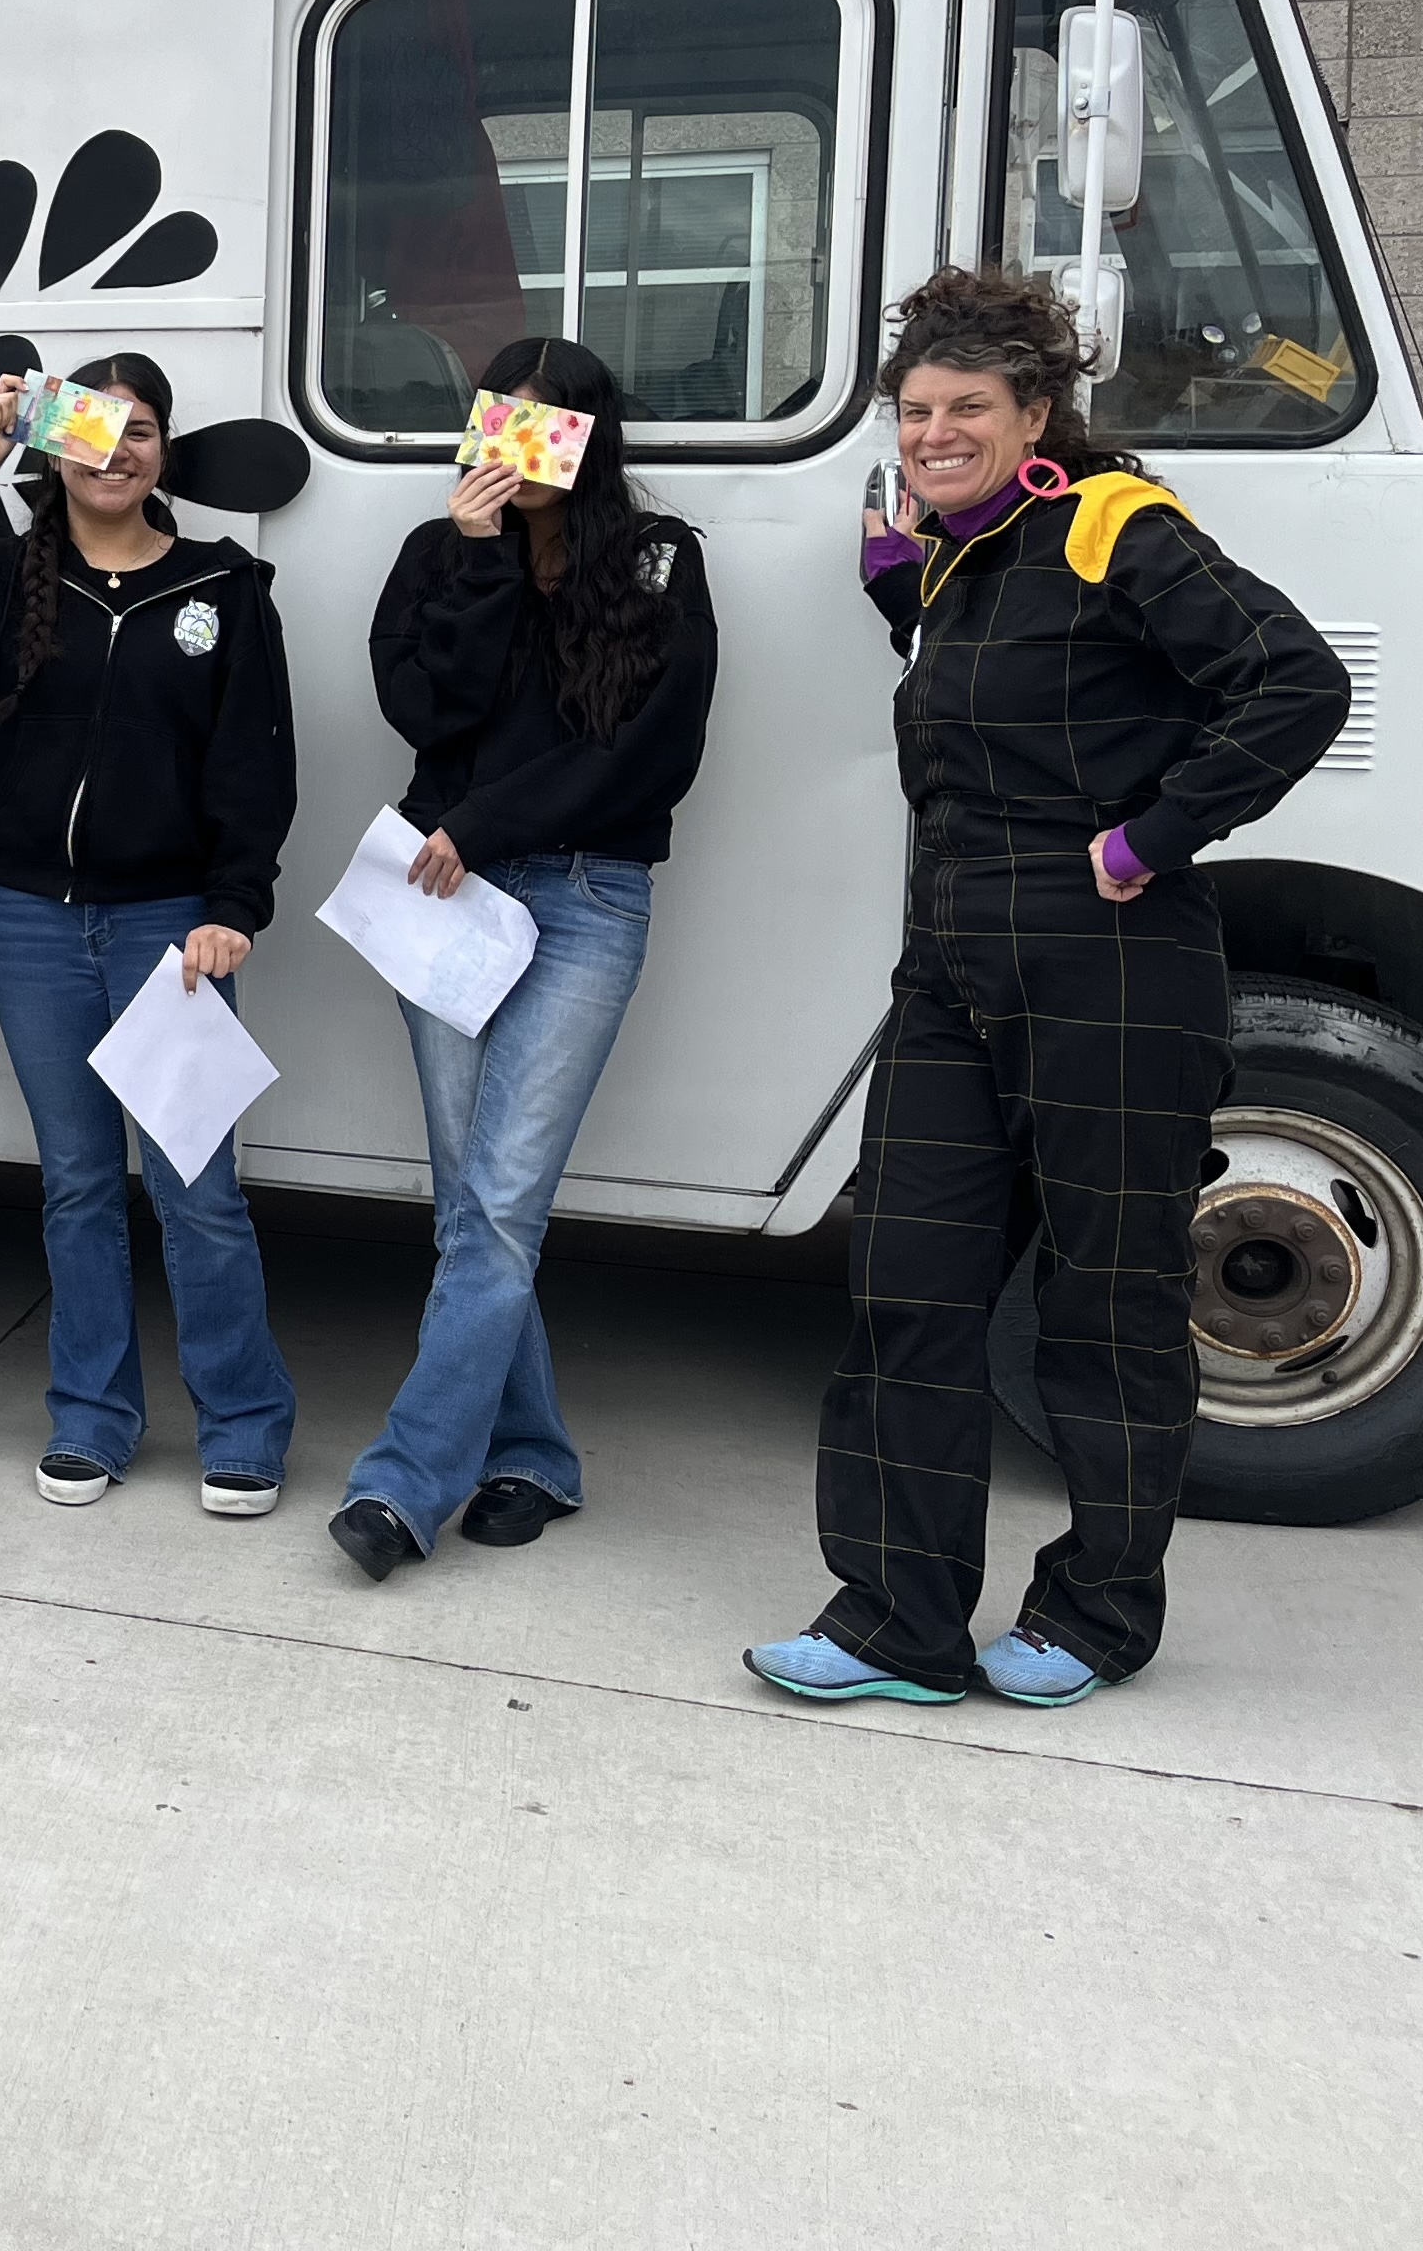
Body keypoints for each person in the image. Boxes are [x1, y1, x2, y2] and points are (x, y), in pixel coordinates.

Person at [750, 269, 1346, 1708]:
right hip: (953, 957)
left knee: (1106, 1306)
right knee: (908, 1283)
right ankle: (896, 1623)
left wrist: (1156, 834)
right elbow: (1022, 694)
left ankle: (1093, 1616)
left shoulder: (1112, 524)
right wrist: (901, 589)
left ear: (1036, 416)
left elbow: (1295, 682)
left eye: (967, 408)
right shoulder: (958, 559)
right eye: (915, 412)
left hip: (1112, 960)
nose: (933, 433)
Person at [0, 354, 301, 1514]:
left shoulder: (223, 585)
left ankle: (244, 1423)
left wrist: (233, 905)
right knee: (75, 1183)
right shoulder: (0, 573)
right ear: (56, 445)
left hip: (171, 925)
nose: (116, 453)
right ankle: (92, 1416)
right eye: (92, 430)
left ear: (166, 451)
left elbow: (255, 763)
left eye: (140, 432)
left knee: (195, 1186)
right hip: (28, 919)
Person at [330, 338, 717, 1582]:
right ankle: (535, 1454)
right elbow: (426, 714)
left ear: (594, 436)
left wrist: (487, 821)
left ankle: (403, 1483)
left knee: (497, 1203)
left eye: (554, 424)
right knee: (475, 1206)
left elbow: (650, 753)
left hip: (587, 896)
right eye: (503, 418)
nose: (524, 444)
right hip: (445, 901)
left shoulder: (659, 560)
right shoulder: (437, 554)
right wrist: (482, 559)